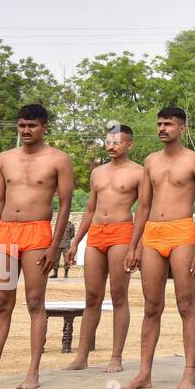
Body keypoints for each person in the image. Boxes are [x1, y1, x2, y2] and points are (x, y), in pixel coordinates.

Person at [0, 104, 74, 389]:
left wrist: (54, 245)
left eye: (32, 125)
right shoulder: (4, 159)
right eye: (22, 125)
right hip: (5, 234)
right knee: (2, 303)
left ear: (45, 127)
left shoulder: (59, 160)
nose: (26, 130)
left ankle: (33, 373)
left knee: (35, 302)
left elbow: (64, 206)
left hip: (37, 233)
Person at [126, 106, 195, 389]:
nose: (162, 128)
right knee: (152, 307)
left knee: (185, 304)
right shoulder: (150, 161)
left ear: (182, 128)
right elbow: (142, 206)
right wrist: (134, 245)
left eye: (168, 124)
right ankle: (144, 373)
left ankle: (189, 372)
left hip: (181, 231)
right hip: (153, 233)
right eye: (159, 124)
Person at [63, 124, 141, 373]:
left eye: (117, 142)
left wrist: (135, 247)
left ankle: (116, 357)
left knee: (119, 296)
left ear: (129, 145)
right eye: (108, 141)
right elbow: (89, 210)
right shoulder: (97, 173)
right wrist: (76, 242)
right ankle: (81, 357)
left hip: (121, 232)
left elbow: (143, 211)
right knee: (91, 297)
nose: (111, 146)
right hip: (96, 233)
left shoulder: (139, 173)